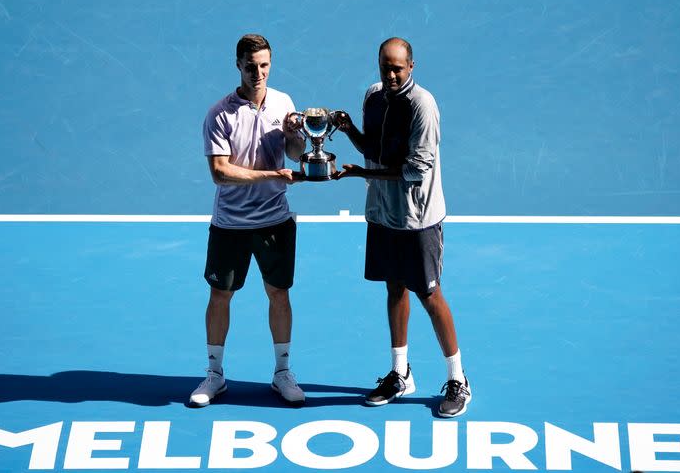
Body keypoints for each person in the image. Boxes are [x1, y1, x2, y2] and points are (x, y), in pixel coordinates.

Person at [334, 37, 471, 417]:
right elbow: (374, 149)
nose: (391, 75)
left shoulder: (423, 106)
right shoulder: (372, 97)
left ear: (412, 66)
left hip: (418, 218)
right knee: (394, 288)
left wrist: (363, 173)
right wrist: (347, 130)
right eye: (385, 67)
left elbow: (415, 169)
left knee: (429, 295)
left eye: (398, 68)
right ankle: (400, 373)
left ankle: (458, 379)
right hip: (382, 214)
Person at [189, 34, 307, 408]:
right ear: (237, 65)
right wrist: (272, 176)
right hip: (231, 224)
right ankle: (215, 374)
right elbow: (220, 173)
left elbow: (295, 152)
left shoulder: (284, 103)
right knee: (220, 296)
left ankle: (283, 373)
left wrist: (293, 137)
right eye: (251, 66)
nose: (258, 73)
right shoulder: (219, 113)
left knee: (279, 294)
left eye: (264, 65)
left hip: (275, 221)